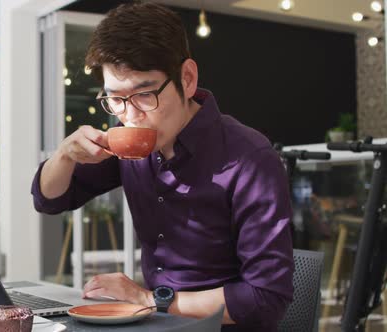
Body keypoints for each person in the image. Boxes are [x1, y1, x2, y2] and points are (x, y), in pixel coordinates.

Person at [31, 2, 293, 331]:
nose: (130, 115)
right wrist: (65, 155)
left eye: (144, 94)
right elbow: (50, 199)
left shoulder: (250, 158)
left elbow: (266, 298)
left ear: (187, 78)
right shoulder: (131, 148)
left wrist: (151, 300)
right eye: (115, 98)